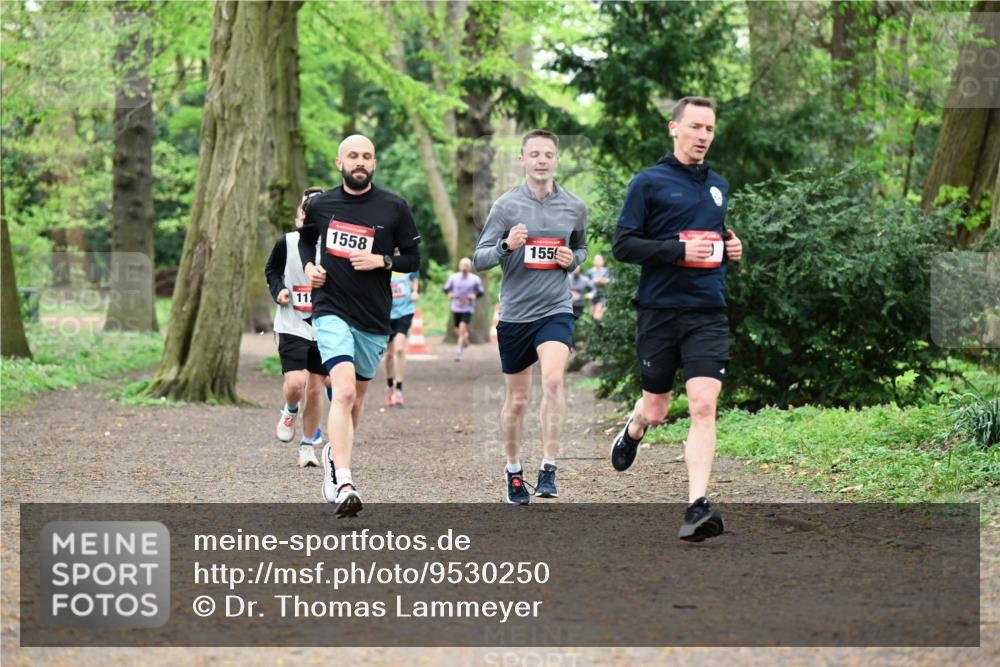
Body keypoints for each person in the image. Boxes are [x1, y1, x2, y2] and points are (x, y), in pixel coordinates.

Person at [609, 96, 743, 541]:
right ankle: (635, 427)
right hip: (660, 311)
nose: (704, 136)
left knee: (705, 405)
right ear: (674, 128)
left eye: (710, 129)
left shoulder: (719, 185)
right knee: (658, 408)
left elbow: (712, 237)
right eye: (696, 127)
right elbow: (624, 245)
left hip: (708, 311)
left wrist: (731, 246)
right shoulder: (648, 183)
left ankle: (696, 505)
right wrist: (675, 250)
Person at [298, 134, 421, 517]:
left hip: (373, 316)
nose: (360, 161)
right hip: (331, 307)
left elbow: (413, 258)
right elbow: (305, 241)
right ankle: (345, 480)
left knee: (358, 399)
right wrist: (308, 267)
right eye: (353, 155)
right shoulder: (321, 205)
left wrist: (382, 261)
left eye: (367, 156)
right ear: (339, 163)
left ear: (374, 163)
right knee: (345, 392)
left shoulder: (394, 207)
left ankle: (335, 454)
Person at [474, 129, 588, 504]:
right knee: (518, 400)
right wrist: (507, 245)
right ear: (522, 160)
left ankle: (549, 468)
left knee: (554, 381)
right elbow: (480, 258)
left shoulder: (574, 206)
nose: (542, 160)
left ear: (557, 160)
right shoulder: (506, 207)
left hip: (555, 308)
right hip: (515, 315)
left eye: (548, 154)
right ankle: (513, 471)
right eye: (534, 154)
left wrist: (573, 260)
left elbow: (581, 247)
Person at [264, 186, 327, 468]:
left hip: (325, 324)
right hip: (291, 322)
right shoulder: (286, 242)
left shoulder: (333, 247)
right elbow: (272, 271)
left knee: (316, 389)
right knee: (295, 383)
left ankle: (307, 447)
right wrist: (278, 291)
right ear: (300, 215)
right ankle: (289, 410)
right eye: (308, 211)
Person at [384, 264, 420, 406]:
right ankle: (389, 384)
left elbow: (414, 278)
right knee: (389, 354)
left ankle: (398, 388)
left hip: (405, 311)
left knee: (399, 349)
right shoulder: (383, 262)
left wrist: (415, 291)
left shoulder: (407, 262)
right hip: (387, 314)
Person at [443, 258, 484, 361]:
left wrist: (474, 295)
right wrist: (449, 293)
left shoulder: (475, 279)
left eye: (467, 265)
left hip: (468, 307)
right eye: (463, 264)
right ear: (459, 266)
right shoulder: (453, 277)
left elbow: (481, 292)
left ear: (470, 267)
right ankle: (465, 338)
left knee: (461, 327)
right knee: (458, 330)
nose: (465, 266)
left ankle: (459, 353)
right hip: (456, 307)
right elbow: (446, 288)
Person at [586, 254, 611, 319]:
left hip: (603, 294)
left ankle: (600, 323)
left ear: (603, 261)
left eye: (600, 260)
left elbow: (610, 281)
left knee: (599, 310)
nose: (598, 261)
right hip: (593, 294)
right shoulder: (590, 272)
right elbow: (586, 283)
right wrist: (594, 281)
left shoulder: (606, 271)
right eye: (597, 260)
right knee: (592, 312)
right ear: (594, 262)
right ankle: (596, 325)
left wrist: (604, 281)